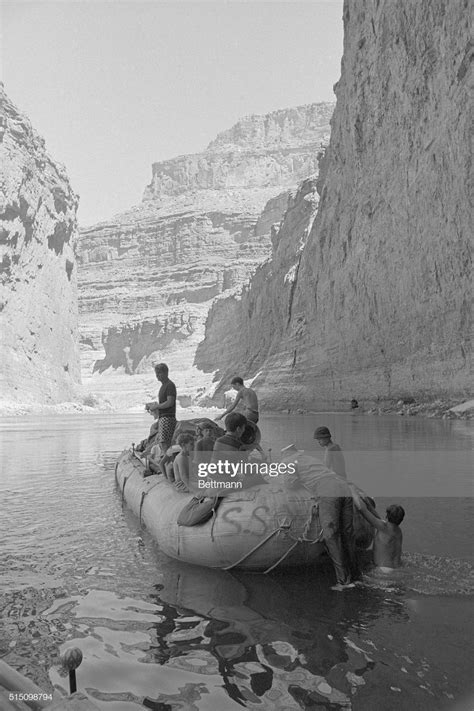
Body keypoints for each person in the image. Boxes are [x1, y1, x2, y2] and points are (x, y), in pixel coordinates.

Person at [282, 447, 356, 590]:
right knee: (347, 533)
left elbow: (290, 484)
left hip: (328, 490)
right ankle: (356, 574)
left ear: (284, 455)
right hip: (343, 487)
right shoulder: (310, 459)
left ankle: (344, 582)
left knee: (331, 535)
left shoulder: (288, 461)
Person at [351, 490, 405, 571]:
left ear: (387, 515)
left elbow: (362, 510)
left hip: (383, 570)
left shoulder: (383, 527)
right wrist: (368, 504)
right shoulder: (398, 531)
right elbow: (378, 518)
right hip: (397, 569)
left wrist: (353, 492)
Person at [145, 363, 177, 456]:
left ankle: (165, 463)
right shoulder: (163, 386)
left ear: (166, 373)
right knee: (161, 442)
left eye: (159, 373)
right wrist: (153, 406)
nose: (157, 376)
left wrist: (157, 406)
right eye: (156, 373)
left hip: (168, 418)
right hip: (163, 417)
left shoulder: (169, 385)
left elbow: (170, 402)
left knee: (164, 443)